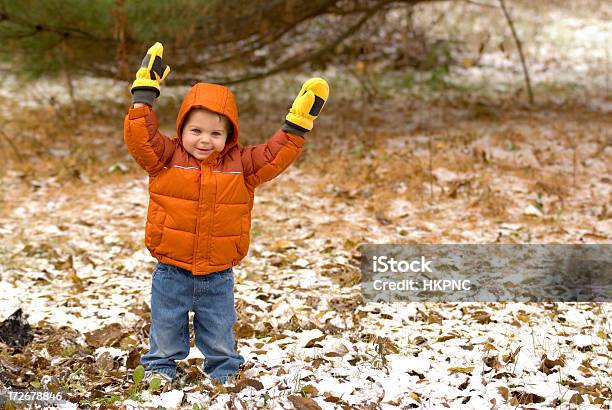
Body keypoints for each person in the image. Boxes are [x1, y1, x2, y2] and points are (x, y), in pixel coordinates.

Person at [123, 42, 329, 386]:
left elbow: (273, 156)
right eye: (196, 131)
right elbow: (139, 137)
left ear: (229, 134)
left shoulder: (242, 166)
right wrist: (144, 96)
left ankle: (225, 371)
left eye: (216, 133)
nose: (205, 140)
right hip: (171, 269)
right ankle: (160, 368)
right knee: (166, 326)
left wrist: (297, 126)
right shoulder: (164, 158)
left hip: (218, 275)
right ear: (181, 129)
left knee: (219, 329)